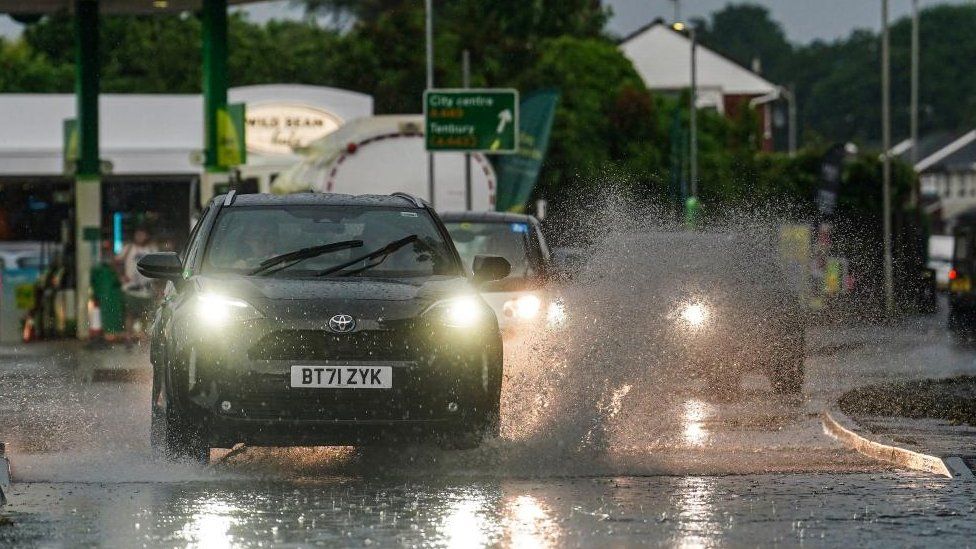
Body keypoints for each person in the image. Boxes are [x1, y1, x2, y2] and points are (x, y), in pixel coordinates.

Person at [116, 227, 157, 341]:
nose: (140, 237)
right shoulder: (128, 248)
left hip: (146, 288)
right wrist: (121, 276)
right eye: (138, 234)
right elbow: (116, 262)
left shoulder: (151, 249)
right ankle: (128, 336)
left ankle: (143, 336)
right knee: (130, 313)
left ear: (147, 236)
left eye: (142, 234)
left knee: (146, 313)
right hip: (130, 288)